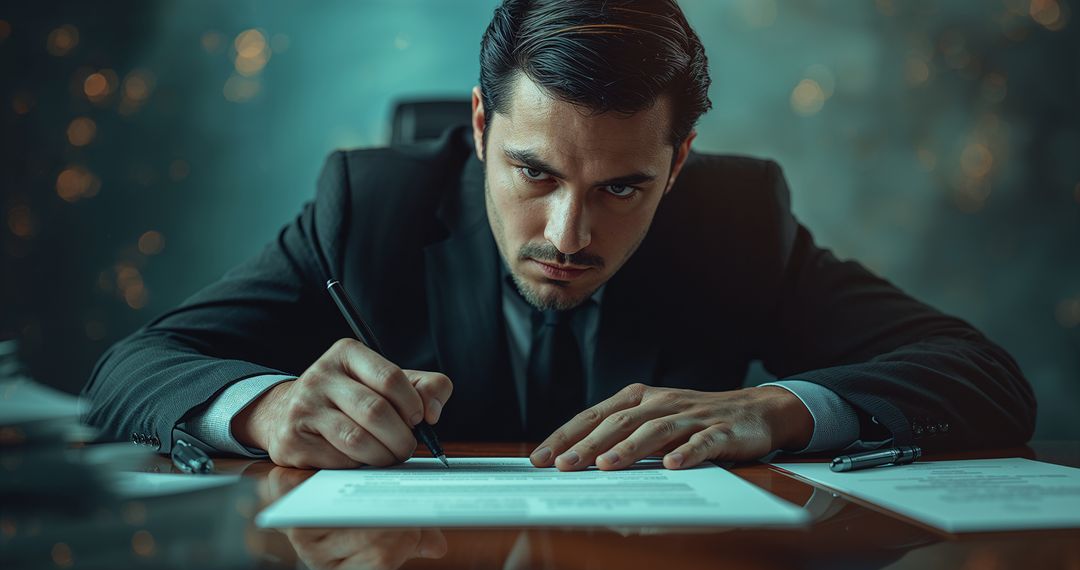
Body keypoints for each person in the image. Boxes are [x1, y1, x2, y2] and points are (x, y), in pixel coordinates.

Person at [83, 0, 1035, 471]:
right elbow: (136, 364)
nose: (569, 234)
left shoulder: (739, 221)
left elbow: (981, 375)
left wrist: (779, 410)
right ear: (480, 129)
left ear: (681, 160)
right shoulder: (365, 206)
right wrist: (263, 408)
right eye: (534, 173)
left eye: (625, 186)